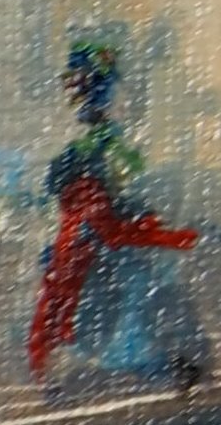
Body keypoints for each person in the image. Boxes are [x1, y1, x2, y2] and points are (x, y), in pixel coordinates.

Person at [27, 38, 206, 397]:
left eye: (78, 79)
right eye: (71, 80)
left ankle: (151, 358)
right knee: (92, 292)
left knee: (126, 289)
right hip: (95, 232)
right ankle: (110, 359)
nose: (72, 88)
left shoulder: (107, 136)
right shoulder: (90, 137)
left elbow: (125, 176)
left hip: (107, 231)